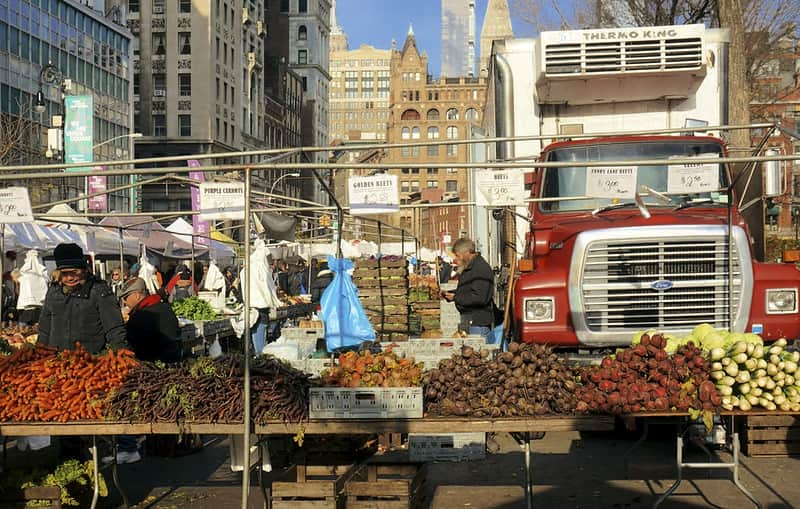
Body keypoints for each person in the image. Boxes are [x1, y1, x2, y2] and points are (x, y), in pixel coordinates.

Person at [38, 243, 127, 354]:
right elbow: (44, 328)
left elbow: (114, 328)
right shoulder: (54, 291)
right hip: (56, 359)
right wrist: (40, 350)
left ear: (84, 270)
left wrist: (121, 354)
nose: (70, 278)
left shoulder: (99, 291)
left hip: (89, 362)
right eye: (65, 274)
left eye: (74, 272)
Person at [440, 238, 495, 341]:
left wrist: (456, 297)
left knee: (476, 354)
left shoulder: (480, 269)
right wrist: (450, 294)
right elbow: (467, 290)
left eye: (457, 255)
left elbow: (479, 297)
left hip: (478, 324)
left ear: (467, 252)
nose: (456, 259)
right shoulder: (470, 268)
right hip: (470, 321)